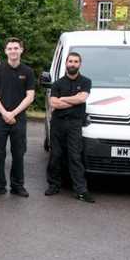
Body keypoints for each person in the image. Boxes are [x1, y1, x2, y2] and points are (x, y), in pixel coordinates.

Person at [0, 38, 36, 197]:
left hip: (18, 119)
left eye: (16, 48)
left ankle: (17, 186)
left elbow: (30, 96)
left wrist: (13, 113)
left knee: (18, 153)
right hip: (0, 119)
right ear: (6, 51)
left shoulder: (27, 72)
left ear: (21, 50)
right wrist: (4, 113)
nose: (13, 51)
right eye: (10, 48)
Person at [45, 52, 94, 202]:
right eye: (70, 61)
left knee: (75, 156)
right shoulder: (58, 83)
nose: (72, 64)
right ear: (66, 63)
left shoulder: (86, 81)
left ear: (80, 64)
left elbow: (82, 98)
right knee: (56, 155)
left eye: (76, 61)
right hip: (58, 123)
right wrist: (74, 100)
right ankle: (54, 185)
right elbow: (53, 103)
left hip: (75, 123)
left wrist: (64, 99)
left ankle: (81, 190)